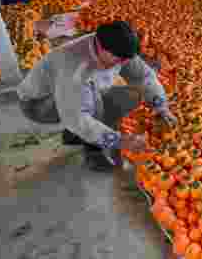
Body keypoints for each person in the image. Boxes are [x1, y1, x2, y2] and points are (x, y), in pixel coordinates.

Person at [16, 20, 178, 171]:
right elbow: (77, 117)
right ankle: (94, 152)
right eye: (118, 59)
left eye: (125, 60)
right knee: (92, 101)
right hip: (38, 105)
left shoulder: (117, 47)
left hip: (66, 97)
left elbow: (143, 76)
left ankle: (75, 135)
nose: (122, 63)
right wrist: (119, 140)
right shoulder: (74, 67)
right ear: (101, 48)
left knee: (132, 94)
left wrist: (160, 106)